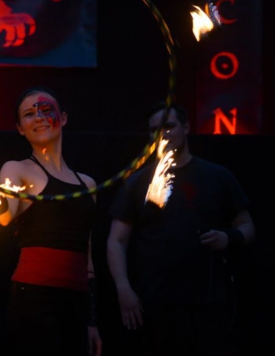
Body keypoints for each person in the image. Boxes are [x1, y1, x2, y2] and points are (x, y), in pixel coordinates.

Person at [0, 86, 102, 356]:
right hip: (34, 298)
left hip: (77, 302)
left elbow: (88, 258)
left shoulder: (88, 184)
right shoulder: (17, 169)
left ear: (63, 118)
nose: (39, 117)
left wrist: (91, 321)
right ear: (21, 128)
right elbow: (3, 216)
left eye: (46, 110)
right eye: (29, 114)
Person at [106, 101, 256, 356]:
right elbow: (116, 240)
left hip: (207, 302)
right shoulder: (137, 182)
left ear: (186, 127)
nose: (162, 134)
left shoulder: (217, 177)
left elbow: (248, 226)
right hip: (153, 304)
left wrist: (228, 238)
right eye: (154, 129)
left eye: (169, 126)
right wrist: (123, 289)